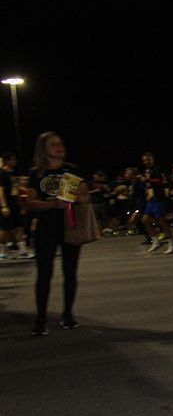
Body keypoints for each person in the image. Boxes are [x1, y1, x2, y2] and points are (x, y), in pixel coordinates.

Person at [24, 132, 89, 336]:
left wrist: (74, 198)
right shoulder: (36, 173)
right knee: (44, 274)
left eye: (60, 143)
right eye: (53, 144)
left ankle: (68, 315)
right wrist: (53, 204)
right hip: (46, 228)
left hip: (69, 226)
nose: (59, 147)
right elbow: (30, 203)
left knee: (70, 272)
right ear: (43, 149)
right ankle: (41, 319)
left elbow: (85, 196)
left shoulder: (71, 170)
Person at [140, 152, 173, 254]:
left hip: (159, 198)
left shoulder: (157, 169)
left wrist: (148, 179)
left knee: (162, 221)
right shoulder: (147, 171)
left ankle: (172, 242)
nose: (146, 162)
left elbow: (160, 181)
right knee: (145, 220)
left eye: (148, 160)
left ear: (152, 159)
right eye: (144, 160)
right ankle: (155, 241)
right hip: (151, 199)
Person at [0, 152, 34, 259]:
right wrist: (4, 206)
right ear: (6, 160)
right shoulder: (2, 173)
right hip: (6, 205)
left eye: (15, 159)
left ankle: (23, 252)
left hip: (14, 204)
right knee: (5, 229)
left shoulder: (12, 173)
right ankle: (2, 252)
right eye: (12, 159)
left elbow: (15, 190)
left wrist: (21, 205)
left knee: (19, 227)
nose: (14, 161)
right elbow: (0, 190)